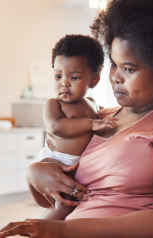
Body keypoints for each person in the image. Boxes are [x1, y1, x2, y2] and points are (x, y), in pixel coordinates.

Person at [0, 0, 153, 237]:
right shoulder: (97, 117)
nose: (115, 78)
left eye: (129, 69)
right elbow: (53, 201)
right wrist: (35, 172)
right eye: (114, 65)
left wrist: (65, 230)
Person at [34, 34, 118, 220]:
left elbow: (101, 125)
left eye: (74, 77)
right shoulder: (54, 104)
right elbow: (57, 127)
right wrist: (92, 124)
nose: (64, 82)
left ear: (93, 80)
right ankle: (40, 228)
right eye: (58, 76)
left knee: (76, 206)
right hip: (55, 161)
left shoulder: (93, 104)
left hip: (77, 165)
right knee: (62, 206)